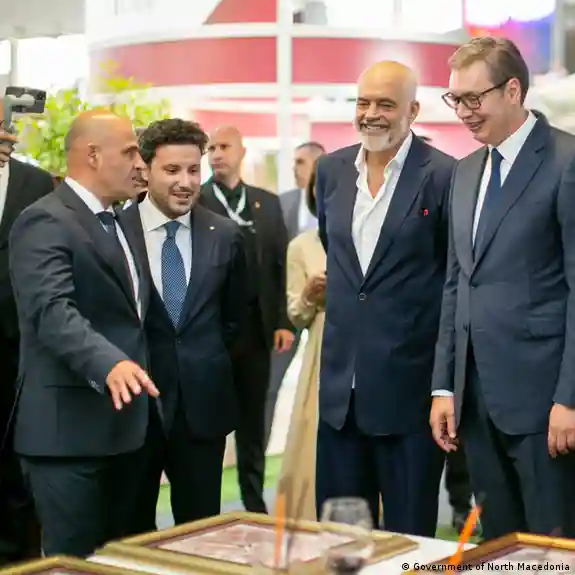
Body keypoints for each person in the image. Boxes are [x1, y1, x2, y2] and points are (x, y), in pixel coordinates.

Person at [430, 37, 575, 540]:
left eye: (474, 98)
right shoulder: (466, 171)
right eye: (455, 99)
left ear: (513, 90)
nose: (463, 112)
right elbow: (457, 284)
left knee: (552, 551)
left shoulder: (565, 161)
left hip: (545, 406)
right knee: (498, 547)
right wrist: (445, 386)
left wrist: (570, 399)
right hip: (476, 405)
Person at [8, 110, 159, 557]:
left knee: (125, 560)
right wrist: (109, 363)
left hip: (125, 433)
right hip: (67, 438)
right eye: (129, 152)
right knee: (74, 564)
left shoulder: (123, 220)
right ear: (92, 155)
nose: (140, 163)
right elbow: (52, 311)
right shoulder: (44, 221)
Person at [315, 61, 455, 536]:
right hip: (340, 401)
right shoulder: (330, 170)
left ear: (413, 111)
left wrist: (443, 388)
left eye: (385, 104)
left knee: (410, 544)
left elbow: (452, 282)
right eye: (363, 102)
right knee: (340, 542)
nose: (371, 113)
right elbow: (340, 261)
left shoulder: (444, 175)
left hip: (409, 401)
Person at [122, 119, 247, 529]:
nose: (186, 182)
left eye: (194, 170)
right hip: (133, 411)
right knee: (131, 534)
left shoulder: (225, 235)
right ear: (145, 170)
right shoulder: (114, 231)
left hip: (202, 410)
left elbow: (235, 322)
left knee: (202, 532)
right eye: (172, 170)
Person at [200, 125, 294, 513]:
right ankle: (205, 505)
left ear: (242, 151)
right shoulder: (198, 200)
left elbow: (280, 265)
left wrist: (284, 321)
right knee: (210, 422)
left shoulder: (266, 203)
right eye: (211, 148)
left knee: (253, 423)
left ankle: (254, 503)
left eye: (224, 146)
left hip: (257, 332)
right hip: (211, 333)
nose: (216, 154)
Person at [0, 102, 54, 565]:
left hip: (18, 344)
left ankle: (21, 558)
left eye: (4, 122)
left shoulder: (35, 183)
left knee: (18, 463)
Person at [265, 141, 325, 448]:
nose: (294, 168)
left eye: (300, 162)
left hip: (327, 318)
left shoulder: (344, 209)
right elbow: (273, 266)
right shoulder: (282, 203)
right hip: (290, 309)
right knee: (270, 387)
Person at [277, 161, 326, 520]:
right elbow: (296, 314)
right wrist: (309, 294)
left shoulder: (370, 241)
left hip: (375, 354)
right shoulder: (301, 247)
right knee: (315, 439)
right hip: (322, 354)